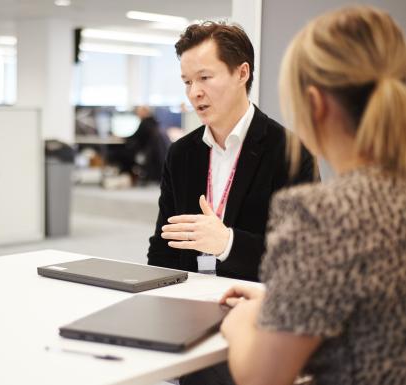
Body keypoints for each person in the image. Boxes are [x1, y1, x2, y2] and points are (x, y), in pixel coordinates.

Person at [220, 6, 406, 385]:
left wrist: (240, 322)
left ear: (316, 104)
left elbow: (263, 376)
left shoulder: (323, 214)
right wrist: (280, 305)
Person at [148, 22, 314, 282]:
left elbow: (301, 258)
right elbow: (163, 246)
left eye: (204, 78)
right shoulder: (181, 153)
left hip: (255, 308)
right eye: (187, 82)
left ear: (242, 73)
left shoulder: (288, 152)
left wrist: (227, 243)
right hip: (186, 304)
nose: (194, 93)